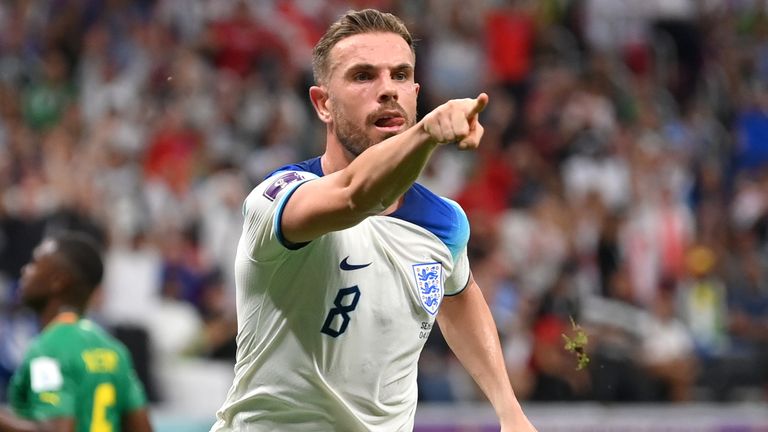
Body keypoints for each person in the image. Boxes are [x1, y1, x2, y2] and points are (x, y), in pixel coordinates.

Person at [211, 8, 537, 432]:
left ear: (416, 93)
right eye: (364, 76)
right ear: (323, 103)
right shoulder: (280, 198)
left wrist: (508, 408)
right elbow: (355, 197)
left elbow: (459, 296)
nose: (388, 91)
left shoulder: (444, 222)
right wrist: (426, 134)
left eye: (400, 76)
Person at [0, 232, 153, 432]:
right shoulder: (114, 350)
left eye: (34, 263)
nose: (25, 270)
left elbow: (56, 430)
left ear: (58, 281)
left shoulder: (48, 348)